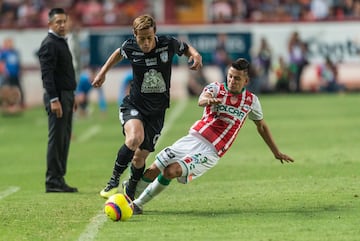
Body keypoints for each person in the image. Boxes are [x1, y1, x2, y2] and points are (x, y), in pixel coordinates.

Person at [131, 58, 294, 214]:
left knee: (170, 171)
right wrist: (209, 100)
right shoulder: (216, 89)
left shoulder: (251, 101)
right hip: (192, 139)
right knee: (153, 169)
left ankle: (137, 205)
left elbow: (262, 126)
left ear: (246, 81)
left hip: (210, 152)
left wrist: (276, 152)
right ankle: (129, 195)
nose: (232, 81)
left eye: (237, 78)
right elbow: (201, 99)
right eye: (230, 76)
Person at [92, 14, 203, 199]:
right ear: (134, 35)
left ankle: (131, 191)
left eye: (149, 38)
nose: (145, 43)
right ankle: (113, 181)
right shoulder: (130, 47)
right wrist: (102, 73)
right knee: (135, 138)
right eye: (141, 38)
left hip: (157, 112)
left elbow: (185, 48)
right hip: (134, 105)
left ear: (155, 33)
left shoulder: (167, 44)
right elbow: (118, 54)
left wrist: (196, 54)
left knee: (140, 157)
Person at [38, 8, 78, 193]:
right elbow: (47, 75)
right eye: (58, 22)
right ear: (50, 24)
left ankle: (58, 178)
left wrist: (72, 95)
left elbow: (64, 73)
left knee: (63, 139)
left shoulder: (60, 42)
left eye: (64, 21)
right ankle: (52, 180)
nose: (62, 25)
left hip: (66, 95)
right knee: (57, 139)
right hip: (58, 97)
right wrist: (54, 99)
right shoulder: (50, 44)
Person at [0, 37, 24, 110]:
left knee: (19, 89)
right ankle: (6, 104)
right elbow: (1, 62)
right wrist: (4, 71)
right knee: (6, 90)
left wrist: (20, 71)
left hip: (15, 74)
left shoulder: (15, 52)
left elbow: (18, 63)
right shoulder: (4, 53)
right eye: (8, 43)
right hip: (7, 75)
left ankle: (21, 103)